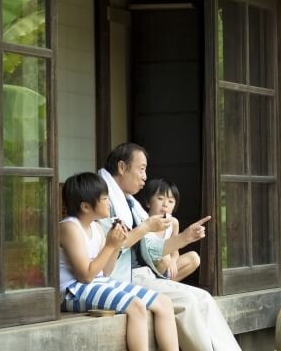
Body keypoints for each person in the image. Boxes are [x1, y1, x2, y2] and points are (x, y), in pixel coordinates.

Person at [98, 143, 242, 351]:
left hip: (144, 273)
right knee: (187, 302)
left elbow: (151, 248)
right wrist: (147, 226)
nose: (145, 177)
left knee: (204, 297)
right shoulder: (103, 197)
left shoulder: (130, 202)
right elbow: (113, 244)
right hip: (124, 278)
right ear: (122, 167)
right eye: (141, 169)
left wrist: (184, 237)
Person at [59, 172, 180, 351]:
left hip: (98, 283)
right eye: (105, 198)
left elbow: (106, 272)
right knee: (136, 306)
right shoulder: (70, 227)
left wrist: (115, 245)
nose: (109, 202)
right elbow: (85, 276)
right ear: (85, 206)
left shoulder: (96, 227)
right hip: (72, 290)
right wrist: (110, 245)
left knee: (164, 303)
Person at [136, 178, 201, 282]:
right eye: (161, 198)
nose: (165, 204)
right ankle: (157, 285)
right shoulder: (142, 221)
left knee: (194, 258)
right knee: (165, 258)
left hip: (165, 268)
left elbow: (175, 251)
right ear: (148, 202)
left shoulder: (173, 223)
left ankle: (164, 285)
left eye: (171, 201)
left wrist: (173, 261)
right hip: (146, 270)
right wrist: (167, 259)